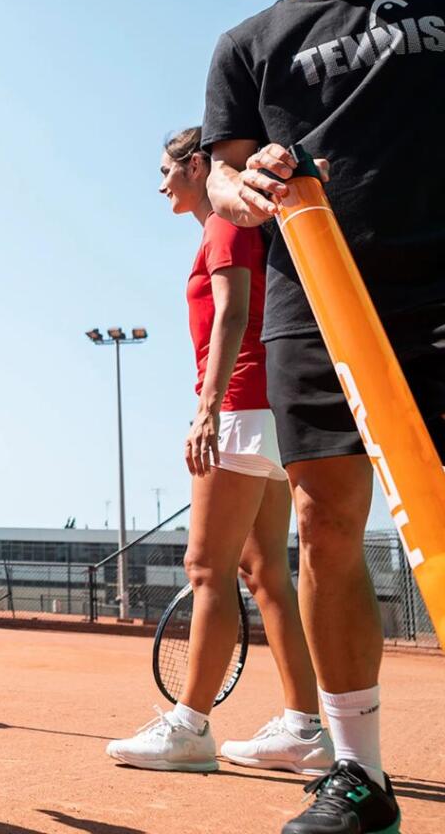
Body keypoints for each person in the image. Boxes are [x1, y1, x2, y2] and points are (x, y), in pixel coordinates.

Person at [203, 0, 444, 833]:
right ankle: (358, 775)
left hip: (439, 288)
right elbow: (220, 176)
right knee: (325, 523)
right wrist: (247, 182)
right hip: (318, 299)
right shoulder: (248, 44)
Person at [106, 128, 332, 776]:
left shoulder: (227, 223)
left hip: (240, 405)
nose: (161, 185)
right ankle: (304, 728)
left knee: (206, 568)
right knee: (264, 573)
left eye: (167, 171)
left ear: (198, 165)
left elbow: (233, 314)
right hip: (269, 409)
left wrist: (206, 410)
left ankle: (189, 727)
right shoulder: (235, 225)